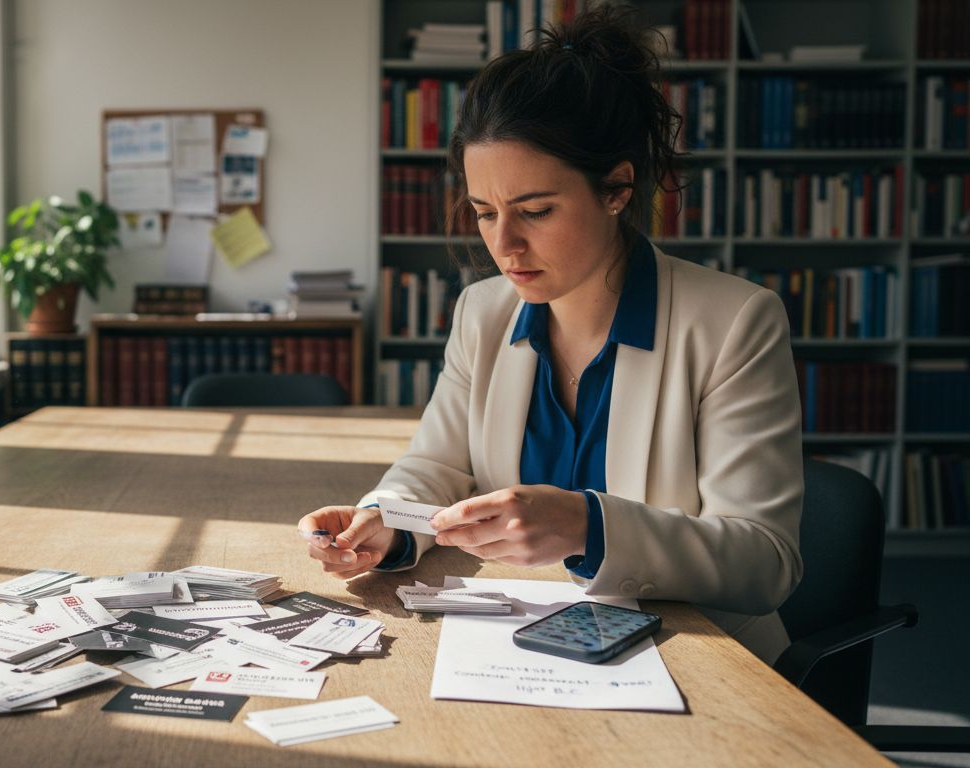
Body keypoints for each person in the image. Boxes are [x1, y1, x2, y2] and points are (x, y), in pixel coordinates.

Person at [298, 6, 803, 663]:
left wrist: (590, 526)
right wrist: (389, 523)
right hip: (523, 645)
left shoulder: (736, 322)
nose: (503, 244)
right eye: (484, 212)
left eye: (535, 210)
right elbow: (438, 466)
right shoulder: (483, 312)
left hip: (695, 660)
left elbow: (764, 561)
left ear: (617, 189)